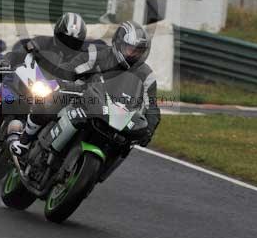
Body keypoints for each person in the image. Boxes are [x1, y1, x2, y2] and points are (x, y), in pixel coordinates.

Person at [11, 21, 160, 153]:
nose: (134, 55)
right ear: (119, 43)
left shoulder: (147, 75)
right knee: (49, 99)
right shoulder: (98, 54)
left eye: (139, 51)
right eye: (131, 49)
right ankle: (24, 140)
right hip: (83, 97)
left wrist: (148, 131)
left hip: (118, 114)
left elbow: (152, 106)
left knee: (127, 142)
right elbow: (69, 69)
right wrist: (62, 81)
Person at [0, 12, 88, 120]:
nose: (68, 44)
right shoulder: (42, 42)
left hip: (56, 95)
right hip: (29, 83)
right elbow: (19, 53)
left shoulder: (82, 58)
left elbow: (91, 76)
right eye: (64, 39)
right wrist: (6, 61)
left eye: (73, 42)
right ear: (56, 33)